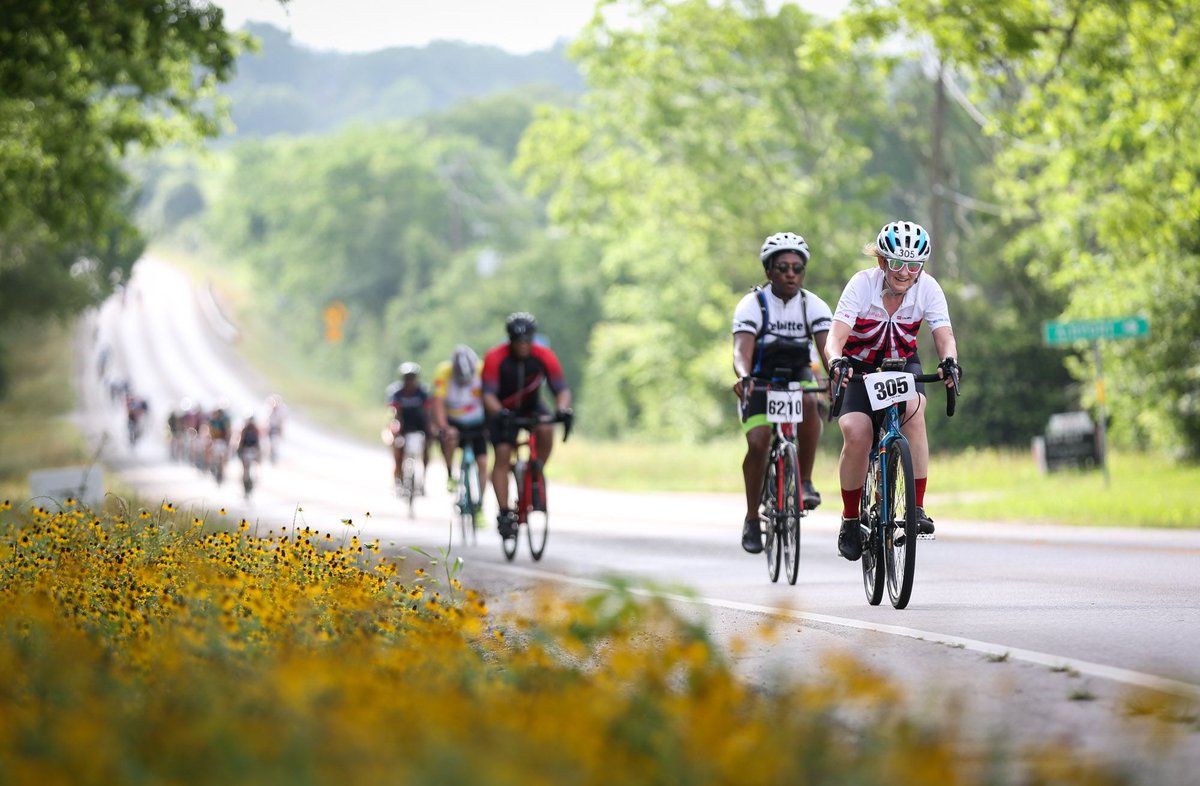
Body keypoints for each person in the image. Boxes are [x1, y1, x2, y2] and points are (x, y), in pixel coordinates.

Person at [824, 220, 961, 561]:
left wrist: (949, 362)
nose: (904, 272)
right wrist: (836, 361)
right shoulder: (861, 285)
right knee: (857, 432)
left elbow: (944, 336)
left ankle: (916, 507)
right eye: (896, 263)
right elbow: (835, 336)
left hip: (901, 364)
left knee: (915, 410)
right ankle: (850, 518)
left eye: (913, 265)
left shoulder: (928, 288)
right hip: (859, 367)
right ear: (882, 262)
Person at [732, 232, 834, 554]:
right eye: (783, 268)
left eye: (797, 268)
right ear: (769, 272)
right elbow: (740, 352)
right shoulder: (753, 304)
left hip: (796, 377)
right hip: (760, 381)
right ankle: (752, 518)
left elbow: (827, 349)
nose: (791, 274)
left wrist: (835, 376)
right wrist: (745, 377)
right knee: (759, 443)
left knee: (810, 400)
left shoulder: (812, 304)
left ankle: (804, 481)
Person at [481, 312, 572, 539]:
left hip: (532, 406)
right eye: (517, 341)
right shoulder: (495, 357)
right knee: (502, 454)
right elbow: (488, 395)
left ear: (533, 339)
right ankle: (504, 512)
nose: (522, 345)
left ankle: (535, 473)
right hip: (502, 408)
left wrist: (562, 409)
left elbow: (561, 389)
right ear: (510, 340)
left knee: (546, 427)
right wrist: (500, 413)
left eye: (527, 341)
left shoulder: (544, 355)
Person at [431, 344, 490, 528]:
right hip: (454, 421)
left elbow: (490, 397)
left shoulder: (482, 370)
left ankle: (479, 506)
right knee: (448, 439)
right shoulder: (444, 372)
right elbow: (438, 402)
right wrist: (444, 426)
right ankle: (450, 473)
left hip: (477, 421)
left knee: (483, 464)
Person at [385, 362, 431, 494]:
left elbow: (428, 411)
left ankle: (422, 480)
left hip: (419, 424)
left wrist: (430, 429)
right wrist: (396, 427)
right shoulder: (396, 392)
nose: (409, 380)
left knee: (427, 446)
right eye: (407, 377)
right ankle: (398, 476)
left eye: (412, 377)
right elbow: (393, 410)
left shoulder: (423, 392)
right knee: (398, 446)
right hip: (402, 423)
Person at [235, 414, 262, 498]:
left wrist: (258, 454)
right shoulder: (245, 429)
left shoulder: (255, 429)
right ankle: (246, 487)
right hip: (247, 451)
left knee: (250, 470)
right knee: (245, 471)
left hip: (251, 451)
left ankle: (250, 486)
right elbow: (241, 441)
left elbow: (258, 443)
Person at [265, 394, 287, 464]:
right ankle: (270, 458)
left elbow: (281, 423)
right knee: (268, 444)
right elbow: (266, 421)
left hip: (276, 430)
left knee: (274, 444)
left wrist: (281, 432)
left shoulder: (280, 412)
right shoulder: (269, 410)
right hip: (270, 430)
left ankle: (274, 459)